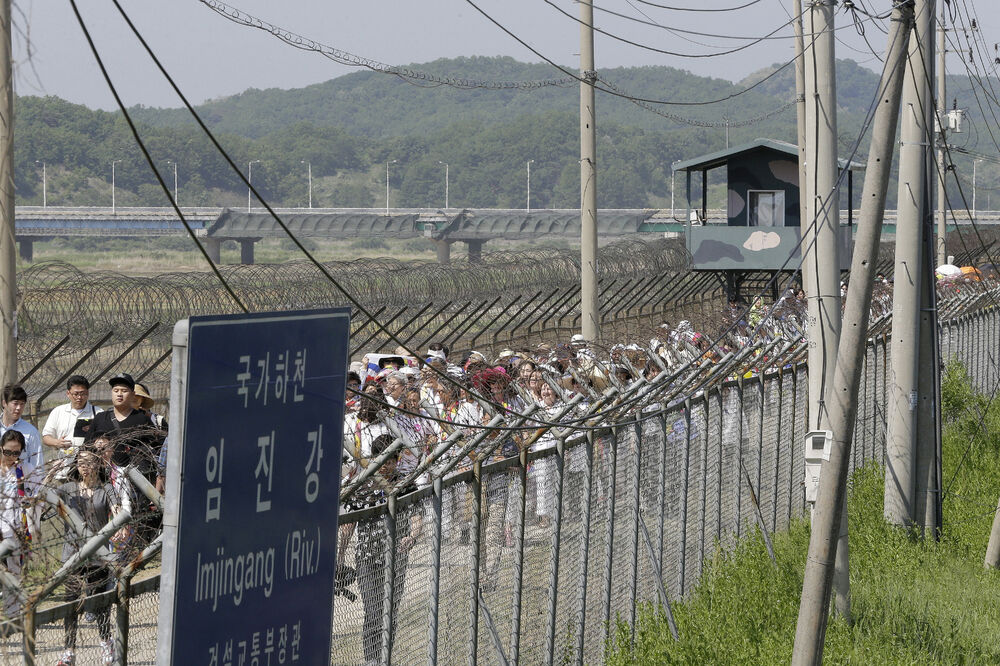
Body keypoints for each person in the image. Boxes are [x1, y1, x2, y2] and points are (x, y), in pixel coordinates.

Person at [345, 434, 421, 665]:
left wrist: (412, 536)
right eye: (382, 460)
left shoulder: (405, 484)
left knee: (390, 611)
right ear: (374, 459)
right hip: (367, 557)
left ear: (397, 460)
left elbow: (417, 514)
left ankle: (384, 657)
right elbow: (349, 523)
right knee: (373, 610)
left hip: (396, 557)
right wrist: (339, 555)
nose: (386, 466)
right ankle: (372, 660)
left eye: (391, 460)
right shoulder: (363, 484)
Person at [54, 449, 116, 666]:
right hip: (72, 555)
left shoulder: (106, 489)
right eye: (81, 462)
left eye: (89, 462)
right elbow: (43, 496)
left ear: (97, 464)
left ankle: (106, 643)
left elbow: (116, 509)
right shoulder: (68, 489)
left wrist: (119, 523)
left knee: (99, 604)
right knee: (71, 604)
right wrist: (51, 472)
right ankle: (68, 651)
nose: (85, 467)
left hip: (98, 555)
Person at [0, 430, 41, 620]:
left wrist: (31, 500)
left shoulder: (25, 469)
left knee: (13, 574)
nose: (11, 457)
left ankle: (12, 615)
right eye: (7, 452)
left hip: (16, 530)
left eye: (16, 453)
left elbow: (39, 493)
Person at [41, 375, 101, 461]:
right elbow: (46, 437)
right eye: (76, 394)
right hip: (64, 462)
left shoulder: (98, 413)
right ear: (68, 394)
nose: (79, 397)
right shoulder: (58, 412)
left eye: (82, 393)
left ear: (87, 393)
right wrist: (57, 443)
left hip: (89, 463)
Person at [0, 385, 43, 469]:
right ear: (4, 403)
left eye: (22, 404)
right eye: (15, 403)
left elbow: (37, 466)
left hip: (21, 476)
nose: (19, 408)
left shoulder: (30, 432)